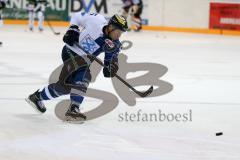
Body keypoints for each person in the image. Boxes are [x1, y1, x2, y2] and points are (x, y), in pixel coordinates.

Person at [26, 12, 128, 121]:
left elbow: (109, 61)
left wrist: (111, 67)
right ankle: (74, 109)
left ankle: (37, 97)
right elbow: (77, 16)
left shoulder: (114, 45)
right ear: (111, 26)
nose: (119, 35)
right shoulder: (96, 20)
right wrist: (73, 28)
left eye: (121, 32)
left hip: (84, 61)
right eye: (118, 31)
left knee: (64, 87)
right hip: (70, 51)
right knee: (84, 76)